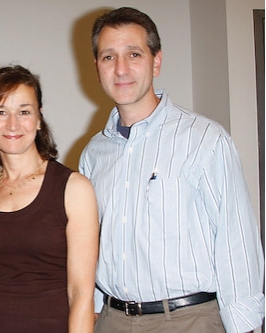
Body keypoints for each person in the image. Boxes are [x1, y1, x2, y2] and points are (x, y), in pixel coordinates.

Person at [79, 7, 265, 333]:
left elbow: (237, 241)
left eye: (133, 54)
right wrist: (93, 311)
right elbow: (91, 244)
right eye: (108, 57)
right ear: (97, 68)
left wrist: (245, 325)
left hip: (189, 320)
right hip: (111, 320)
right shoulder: (94, 154)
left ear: (156, 61)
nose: (121, 68)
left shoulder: (205, 139)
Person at [0, 65, 99, 333]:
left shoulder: (74, 188)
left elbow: (81, 294)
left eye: (24, 112)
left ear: (39, 120)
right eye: (1, 112)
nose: (12, 124)